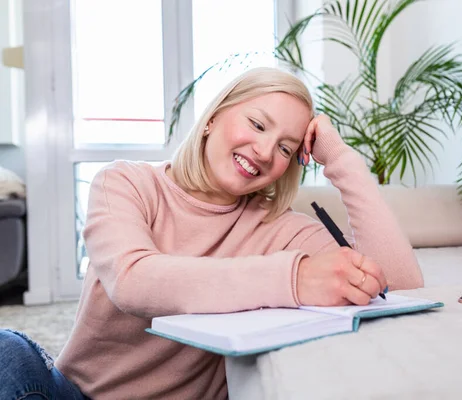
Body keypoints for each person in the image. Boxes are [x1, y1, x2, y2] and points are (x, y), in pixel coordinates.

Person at [0, 67, 423, 399]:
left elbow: (398, 284)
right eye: (258, 125)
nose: (263, 151)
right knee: (8, 351)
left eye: (285, 148)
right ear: (213, 117)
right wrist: (294, 280)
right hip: (73, 393)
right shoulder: (125, 183)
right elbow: (132, 282)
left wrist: (340, 158)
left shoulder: (281, 229)